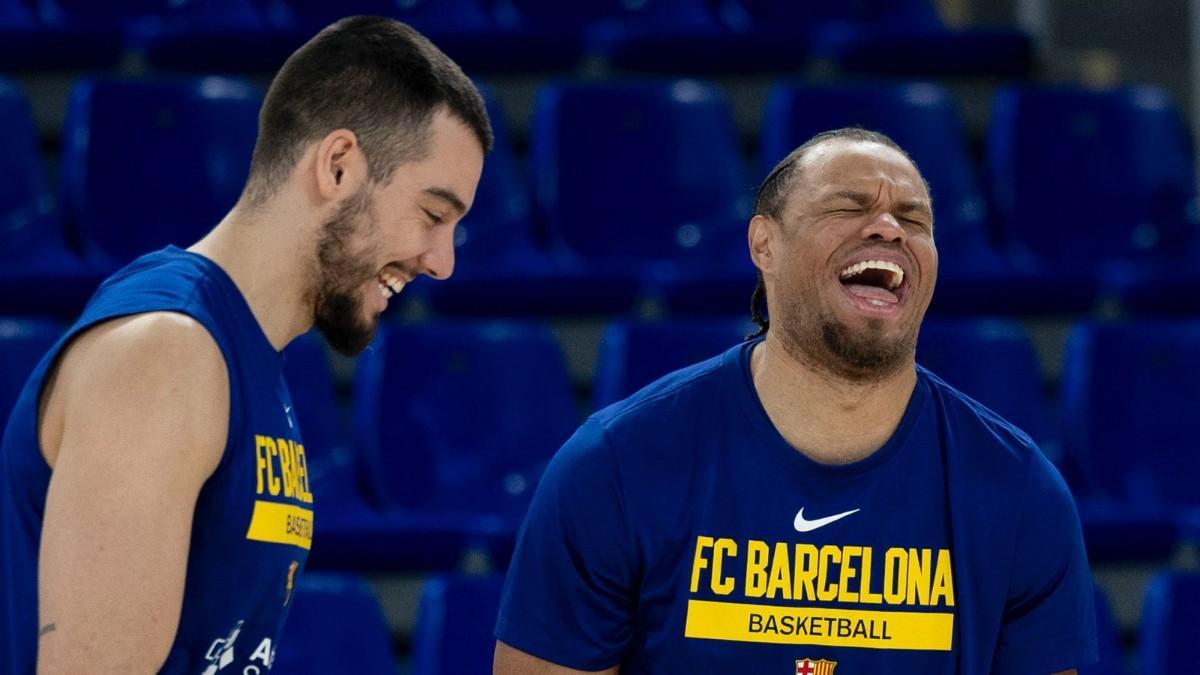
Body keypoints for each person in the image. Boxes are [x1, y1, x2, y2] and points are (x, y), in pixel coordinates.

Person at [494, 128, 1097, 674]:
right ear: (764, 244)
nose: (889, 227)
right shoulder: (616, 463)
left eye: (914, 220)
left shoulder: (1018, 490)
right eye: (848, 207)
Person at [0, 16, 489, 673]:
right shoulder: (165, 354)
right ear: (338, 166)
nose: (442, 261)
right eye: (433, 215)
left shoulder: (238, 352)